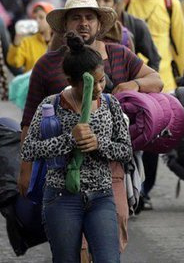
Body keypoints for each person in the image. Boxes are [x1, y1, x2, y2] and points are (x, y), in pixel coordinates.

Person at [17, 0, 163, 254]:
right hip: (61, 186)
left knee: (111, 246)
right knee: (73, 253)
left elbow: (156, 82)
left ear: (99, 24)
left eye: (89, 18)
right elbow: (29, 123)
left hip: (109, 179)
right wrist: (26, 170)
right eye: (76, 18)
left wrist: (132, 84)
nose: (83, 23)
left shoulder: (118, 58)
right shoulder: (48, 68)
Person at [20, 32, 132, 262]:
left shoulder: (110, 104)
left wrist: (98, 144)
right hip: (61, 197)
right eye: (92, 82)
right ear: (71, 80)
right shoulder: (50, 105)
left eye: (102, 80)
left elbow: (125, 150)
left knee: (109, 258)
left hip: (101, 195)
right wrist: (69, 139)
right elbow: (29, 149)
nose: (100, 88)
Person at [89, 0, 161, 71]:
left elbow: (153, 59)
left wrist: (140, 83)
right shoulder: (82, 30)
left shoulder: (128, 33)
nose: (100, 4)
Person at [7, 2, 53, 72]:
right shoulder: (27, 42)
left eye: (41, 17)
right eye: (35, 18)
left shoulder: (59, 40)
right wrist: (16, 41)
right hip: (32, 82)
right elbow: (15, 63)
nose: (37, 21)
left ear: (51, 19)